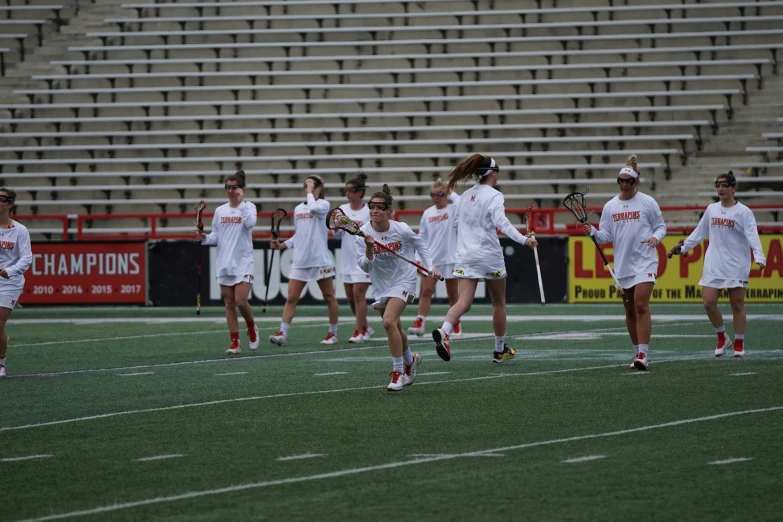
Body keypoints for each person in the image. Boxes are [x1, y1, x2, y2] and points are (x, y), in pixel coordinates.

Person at [431, 154, 538, 363]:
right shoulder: (494, 195)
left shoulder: (465, 196)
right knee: (499, 303)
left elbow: (455, 224)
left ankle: (444, 331)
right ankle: (499, 350)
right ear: (493, 173)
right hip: (488, 255)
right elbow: (503, 223)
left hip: (465, 255)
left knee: (463, 302)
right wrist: (524, 240)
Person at [668, 171, 766, 357]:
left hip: (736, 264)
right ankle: (722, 336)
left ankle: (739, 343)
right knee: (708, 302)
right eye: (718, 185)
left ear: (733, 188)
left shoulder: (744, 212)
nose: (720, 189)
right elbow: (699, 232)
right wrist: (683, 247)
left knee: (737, 304)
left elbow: (753, 235)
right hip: (714, 263)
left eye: (724, 185)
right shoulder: (711, 209)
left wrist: (760, 257)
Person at [583, 154, 666, 371]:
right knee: (629, 310)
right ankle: (637, 349)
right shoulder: (611, 206)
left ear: (636, 182)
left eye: (629, 181)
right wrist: (591, 231)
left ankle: (643, 354)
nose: (625, 185)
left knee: (640, 304)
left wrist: (655, 238)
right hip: (623, 265)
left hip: (645, 261)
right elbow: (604, 237)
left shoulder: (647, 202)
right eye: (621, 181)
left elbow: (661, 227)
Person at [357, 185, 441, 391]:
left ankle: (398, 373)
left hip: (403, 279)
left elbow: (420, 245)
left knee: (388, 322)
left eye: (380, 207)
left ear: (388, 211)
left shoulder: (400, 228)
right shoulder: (363, 232)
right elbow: (365, 266)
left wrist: (429, 266)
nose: (375, 210)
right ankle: (410, 360)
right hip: (381, 284)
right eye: (372, 206)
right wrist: (369, 247)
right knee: (396, 328)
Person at [269, 175, 339, 345]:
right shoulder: (299, 209)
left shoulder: (324, 205)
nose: (307, 188)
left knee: (329, 296)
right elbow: (298, 235)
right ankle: (282, 334)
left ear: (319, 188)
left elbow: (314, 209)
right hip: (300, 260)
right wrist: (282, 245)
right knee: (291, 298)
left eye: (312, 185)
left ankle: (332, 333)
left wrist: (310, 193)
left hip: (319, 260)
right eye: (306, 185)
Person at [197, 170, 259, 355]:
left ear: (242, 189)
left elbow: (250, 224)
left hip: (243, 261)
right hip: (224, 261)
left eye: (235, 188)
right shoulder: (220, 211)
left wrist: (240, 204)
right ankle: (235, 342)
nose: (231, 191)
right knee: (229, 304)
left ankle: (252, 327)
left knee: (241, 301)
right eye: (228, 188)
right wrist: (205, 238)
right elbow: (217, 236)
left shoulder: (249, 207)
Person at [409, 179, 462, 337]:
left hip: (450, 258)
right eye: (432, 194)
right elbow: (422, 237)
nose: (435, 197)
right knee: (426, 291)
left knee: (453, 294)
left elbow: (461, 202)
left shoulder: (454, 209)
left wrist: (451, 191)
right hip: (431, 259)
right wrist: (418, 257)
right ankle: (420, 322)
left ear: (445, 194)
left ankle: (455, 324)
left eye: (439, 194)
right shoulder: (428, 212)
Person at [334, 172, 374, 343]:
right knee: (351, 298)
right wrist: (336, 228)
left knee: (358, 295)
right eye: (346, 190)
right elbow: (337, 236)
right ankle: (366, 327)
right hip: (347, 260)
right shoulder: (342, 210)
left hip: (362, 259)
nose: (347, 193)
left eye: (350, 190)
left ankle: (358, 331)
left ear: (360, 192)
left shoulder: (368, 211)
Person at [0, 189, 32, 378]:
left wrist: (10, 271)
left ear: (10, 205)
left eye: (1, 199)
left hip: (9, 282)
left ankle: (1, 363)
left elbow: (26, 259)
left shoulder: (20, 230)